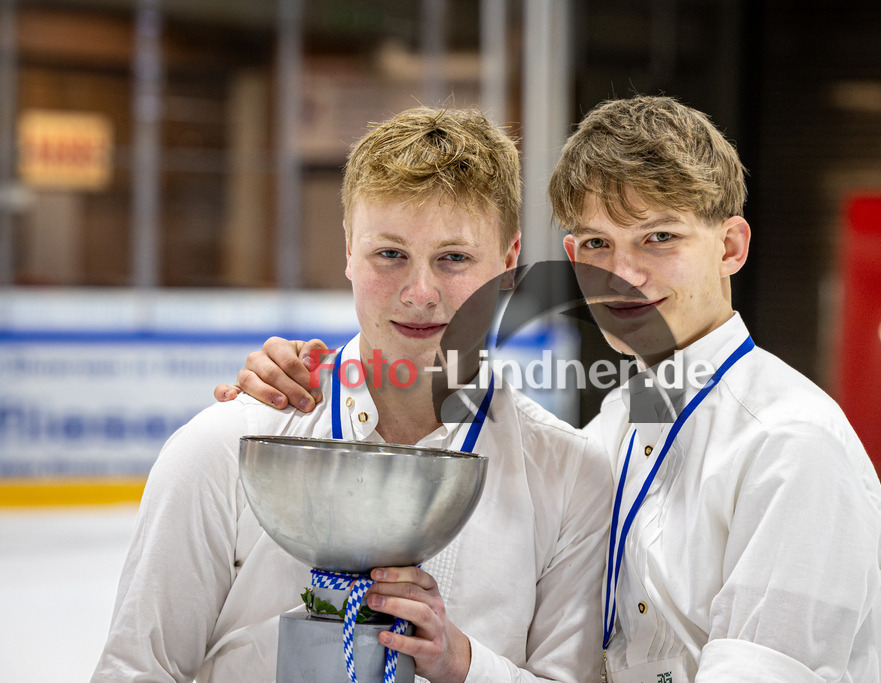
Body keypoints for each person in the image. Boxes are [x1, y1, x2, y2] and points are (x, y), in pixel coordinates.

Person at [220, 95, 881, 682]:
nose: (625, 275)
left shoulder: (789, 446)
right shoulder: (612, 428)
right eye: (597, 246)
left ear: (730, 246)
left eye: (659, 237)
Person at [94, 107, 611, 682]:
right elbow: (136, 671)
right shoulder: (226, 446)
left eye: (455, 258)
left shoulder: (571, 478)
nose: (420, 293)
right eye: (389, 254)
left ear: (509, 262)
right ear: (347, 250)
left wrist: (463, 664)